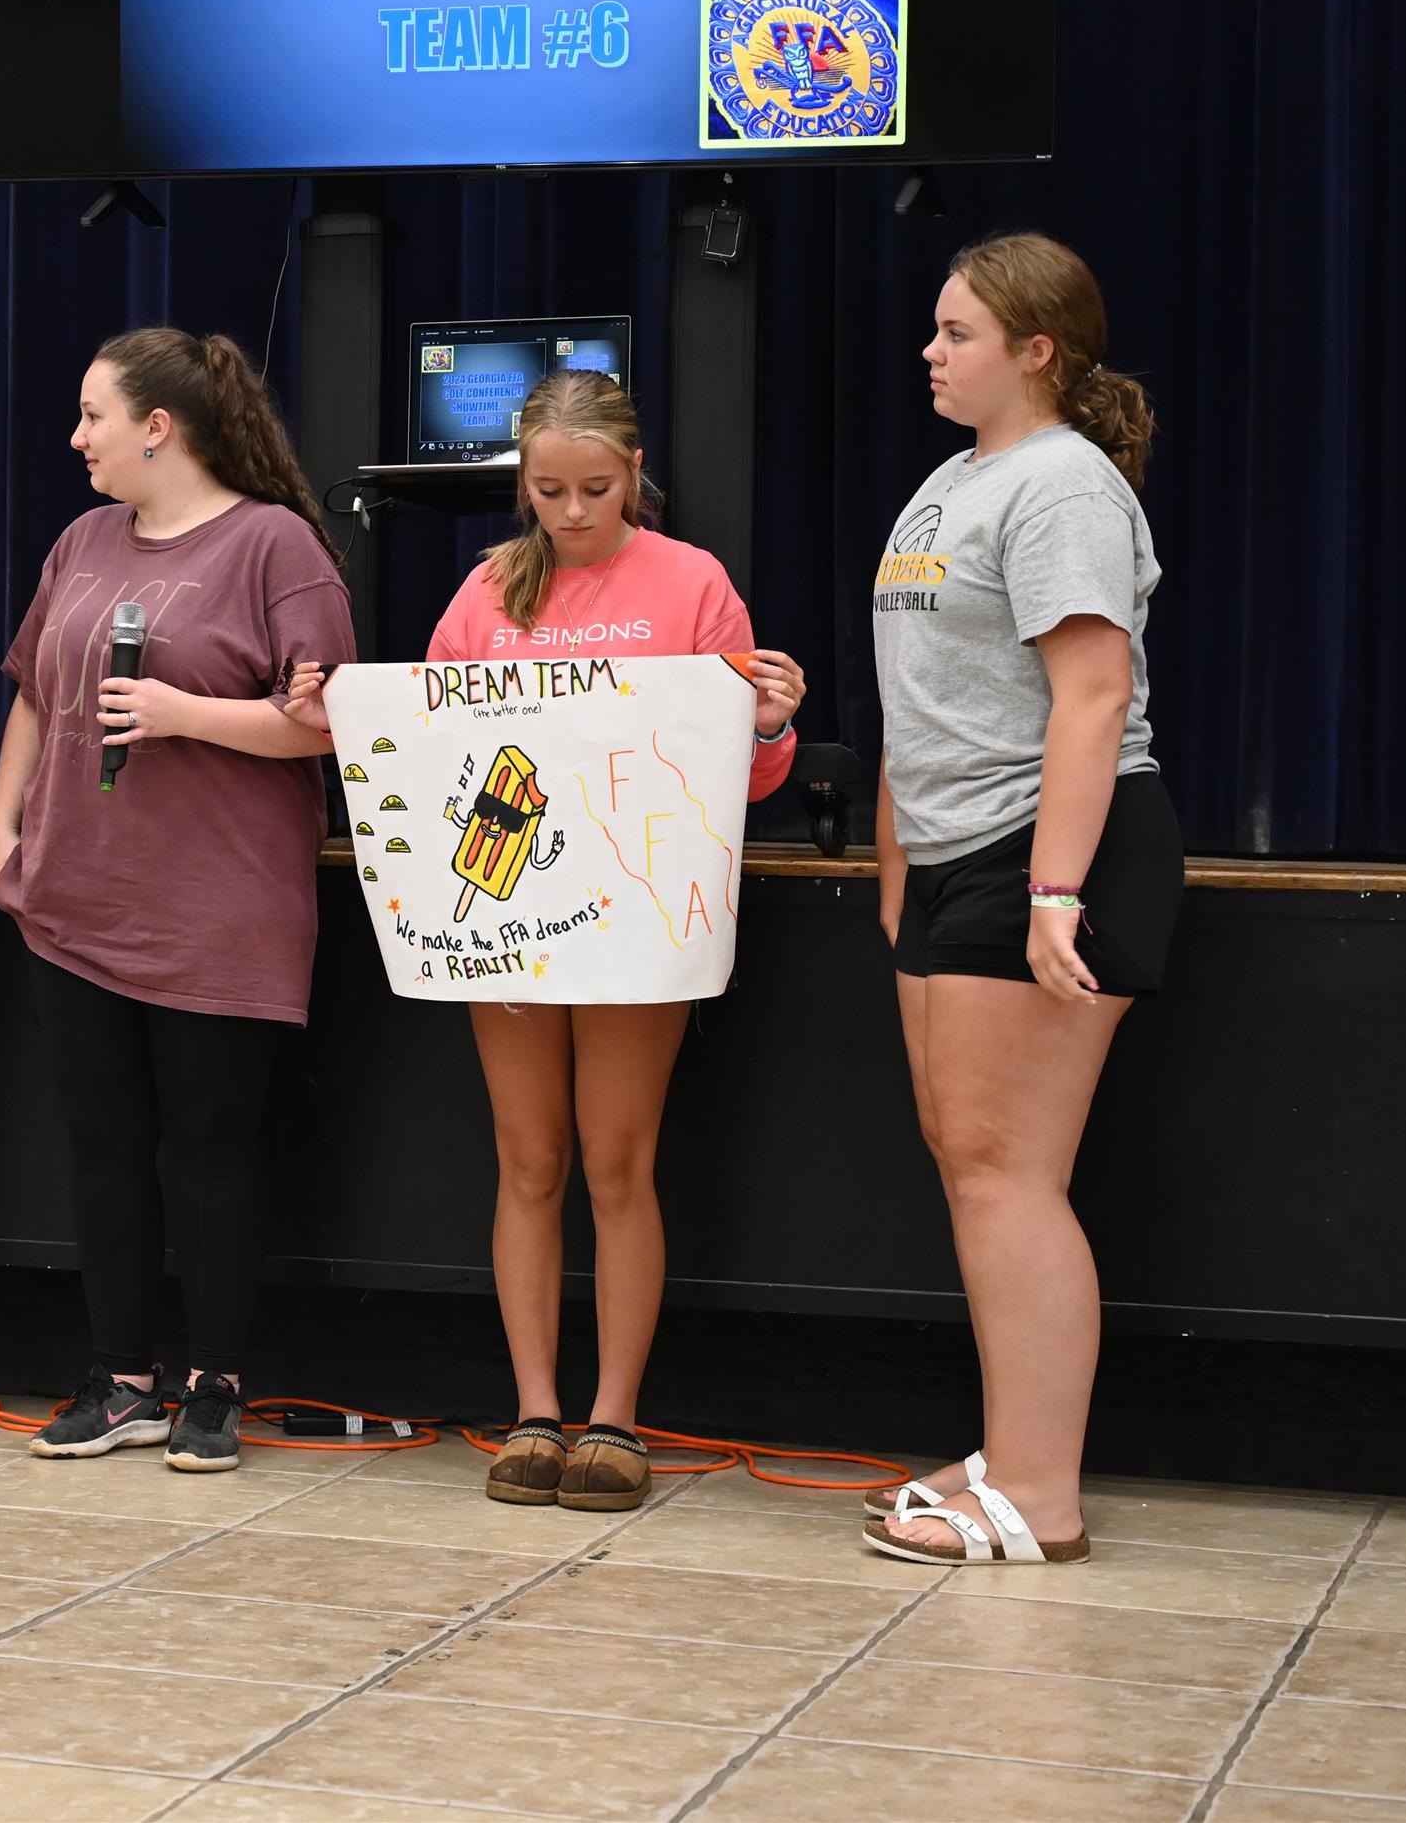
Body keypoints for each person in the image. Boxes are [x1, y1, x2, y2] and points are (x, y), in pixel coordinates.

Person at [288, 370, 805, 1513]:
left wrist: (768, 725)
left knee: (617, 1163)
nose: (572, 513)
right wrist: (338, 717)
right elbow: (427, 746)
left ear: (635, 475)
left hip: (638, 910)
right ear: (520, 484)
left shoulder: (692, 582)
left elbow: (743, 778)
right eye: (549, 490)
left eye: (596, 489)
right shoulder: (485, 592)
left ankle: (613, 1418)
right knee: (528, 1159)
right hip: (510, 904)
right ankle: (532, 1411)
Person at [0, 327, 357, 1473]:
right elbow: (33, 694)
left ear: (158, 427)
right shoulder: (81, 541)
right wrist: (5, 830)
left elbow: (330, 719)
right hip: (76, 899)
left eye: (92, 416)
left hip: (216, 909)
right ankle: (122, 1380)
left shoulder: (274, 545)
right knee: (102, 1145)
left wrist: (182, 714)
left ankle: (214, 1383)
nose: (76, 437)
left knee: (209, 1151)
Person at [863, 234, 1177, 1566]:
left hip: (1047, 853)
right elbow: (920, 694)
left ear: (1036, 350)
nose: (931, 352)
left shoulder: (1063, 485)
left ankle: (1042, 1496)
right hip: (953, 862)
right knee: (971, 1167)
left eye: (959, 332)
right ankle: (1012, 1449)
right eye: (935, 329)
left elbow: (1092, 695)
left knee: (1009, 1173)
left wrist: (1054, 889)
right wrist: (900, 868)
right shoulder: (952, 480)